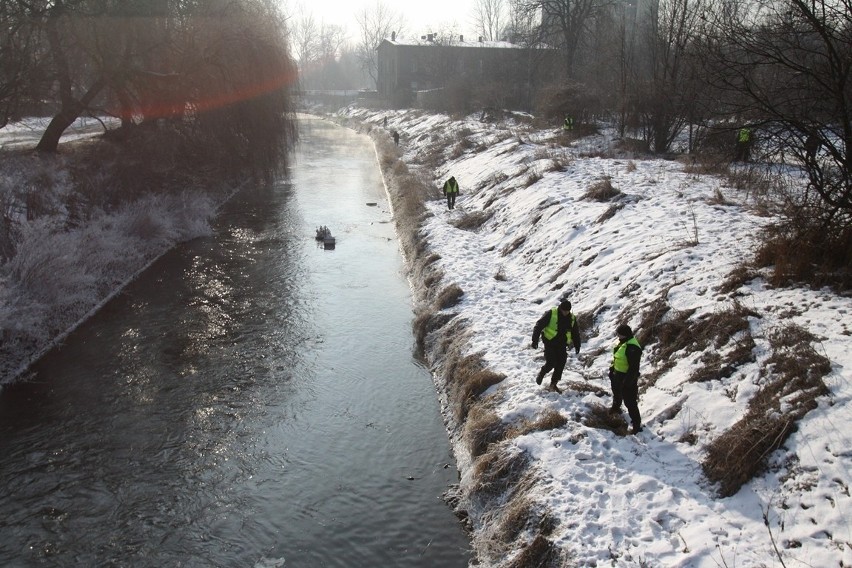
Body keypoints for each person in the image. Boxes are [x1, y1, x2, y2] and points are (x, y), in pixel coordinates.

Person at [531, 299, 581, 393]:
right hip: (549, 343)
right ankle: (542, 373)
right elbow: (539, 326)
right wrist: (535, 340)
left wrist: (577, 345)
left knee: (561, 363)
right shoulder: (551, 313)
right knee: (551, 363)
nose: (566, 313)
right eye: (564, 311)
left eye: (568, 311)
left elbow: (575, 333)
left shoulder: (572, 318)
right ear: (560, 308)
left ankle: (553, 384)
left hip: (562, 344)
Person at [609, 324, 643, 434]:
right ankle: (615, 408)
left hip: (627, 378)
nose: (617, 335)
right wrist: (612, 370)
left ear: (624, 334)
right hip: (617, 375)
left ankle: (636, 425)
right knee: (617, 393)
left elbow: (633, 368)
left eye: (618, 333)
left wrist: (627, 382)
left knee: (630, 402)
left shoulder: (632, 347)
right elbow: (617, 358)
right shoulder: (623, 342)